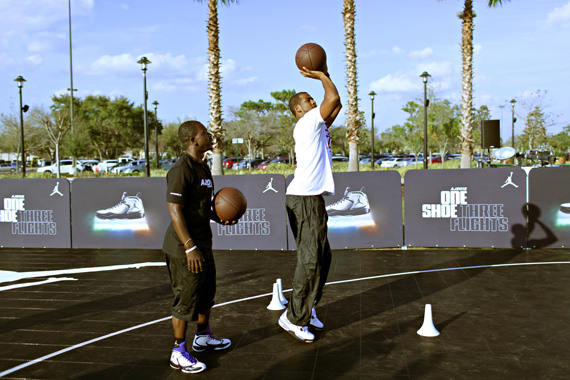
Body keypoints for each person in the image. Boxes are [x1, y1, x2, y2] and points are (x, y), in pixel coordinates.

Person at [163, 120, 234, 373]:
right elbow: (175, 210)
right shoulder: (181, 169)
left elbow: (202, 207)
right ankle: (178, 352)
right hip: (185, 247)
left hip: (203, 243)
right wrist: (190, 246)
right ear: (193, 140)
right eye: (204, 133)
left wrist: (219, 217)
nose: (209, 135)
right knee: (187, 298)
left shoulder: (203, 167)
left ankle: (202, 337)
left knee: (206, 293)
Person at [278, 65, 342, 343]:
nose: (314, 101)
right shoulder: (306, 123)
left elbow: (335, 104)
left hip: (311, 198)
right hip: (303, 199)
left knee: (322, 258)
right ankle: (292, 317)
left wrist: (325, 76)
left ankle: (307, 307)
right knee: (310, 260)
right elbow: (331, 100)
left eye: (313, 99)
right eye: (308, 100)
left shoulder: (315, 124)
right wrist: (321, 77)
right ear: (298, 110)